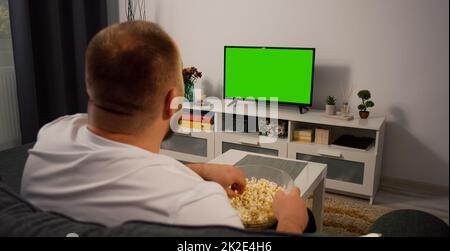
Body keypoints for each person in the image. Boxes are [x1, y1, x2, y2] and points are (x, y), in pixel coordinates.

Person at [20, 21, 311, 234]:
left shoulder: (51, 136)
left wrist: (202, 170)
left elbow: (121, 166)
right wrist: (291, 221)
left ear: (91, 86)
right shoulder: (195, 205)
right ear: (173, 100)